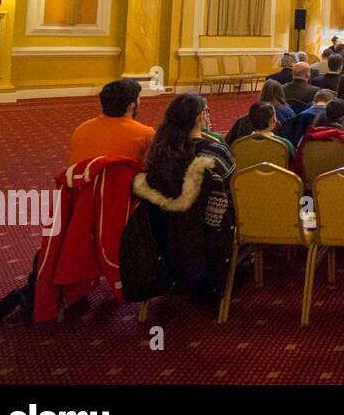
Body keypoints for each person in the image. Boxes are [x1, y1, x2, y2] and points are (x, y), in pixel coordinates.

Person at [127, 93, 234, 305]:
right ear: (201, 117)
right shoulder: (216, 152)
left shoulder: (157, 152)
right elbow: (231, 188)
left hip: (165, 231)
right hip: (211, 232)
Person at [68, 78, 154, 166]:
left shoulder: (81, 128)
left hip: (81, 178)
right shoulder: (145, 133)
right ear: (131, 107)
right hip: (120, 179)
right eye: (139, 99)